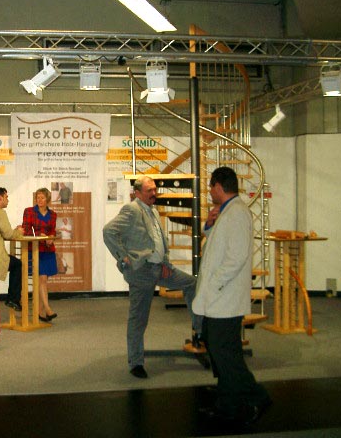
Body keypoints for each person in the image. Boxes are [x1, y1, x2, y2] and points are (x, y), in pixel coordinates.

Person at [103, 175, 202, 379]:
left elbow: (159, 240)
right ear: (138, 193)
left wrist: (164, 261)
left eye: (155, 189)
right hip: (141, 271)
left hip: (160, 268)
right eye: (149, 190)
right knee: (138, 319)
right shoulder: (132, 210)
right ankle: (136, 363)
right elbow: (108, 232)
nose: (154, 193)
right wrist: (124, 257)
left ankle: (200, 331)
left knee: (191, 283)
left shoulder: (154, 211)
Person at [193, 167, 271, 425]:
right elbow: (218, 243)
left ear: (218, 186)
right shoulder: (227, 211)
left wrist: (214, 284)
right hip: (220, 297)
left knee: (225, 354)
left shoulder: (236, 213)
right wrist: (208, 225)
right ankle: (227, 403)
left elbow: (236, 257)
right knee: (220, 350)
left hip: (224, 297)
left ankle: (257, 397)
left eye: (210, 187)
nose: (209, 191)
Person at [22, 187, 58, 322]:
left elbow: (52, 231)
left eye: (42, 197)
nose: (40, 200)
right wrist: (39, 235)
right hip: (34, 249)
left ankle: (40, 312)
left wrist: (51, 238)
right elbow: (25, 230)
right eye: (38, 197)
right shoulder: (29, 211)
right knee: (42, 279)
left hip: (48, 250)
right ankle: (47, 309)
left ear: (47, 199)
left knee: (42, 281)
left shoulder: (53, 214)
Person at [0, 187, 24, 311]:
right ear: (0, 198)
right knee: (18, 264)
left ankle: (12, 299)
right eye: (6, 197)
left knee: (14, 263)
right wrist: (19, 231)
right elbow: (8, 234)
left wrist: (14, 231)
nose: (8, 200)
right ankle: (13, 299)